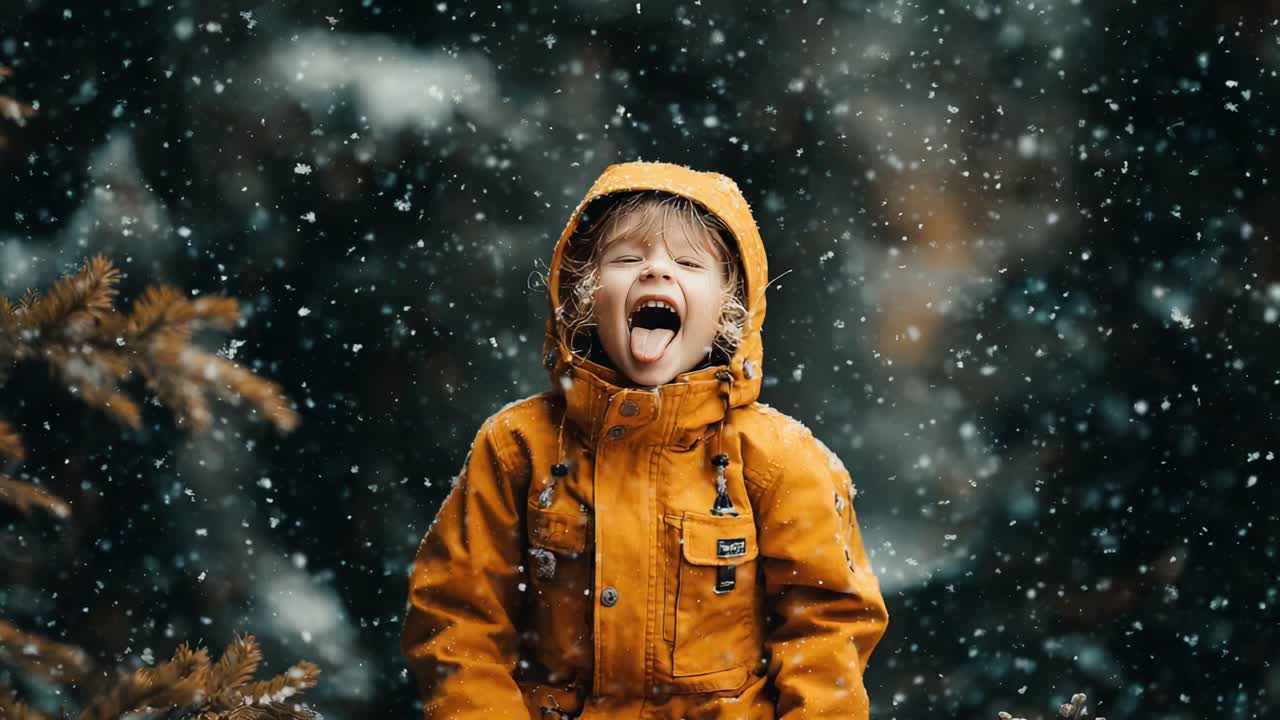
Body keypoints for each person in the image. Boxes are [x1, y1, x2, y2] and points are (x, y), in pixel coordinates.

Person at [401, 161, 889, 719]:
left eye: (688, 263)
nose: (656, 271)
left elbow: (827, 629)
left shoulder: (779, 460)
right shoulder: (517, 447)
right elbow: (456, 620)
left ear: (729, 312)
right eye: (628, 258)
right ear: (585, 294)